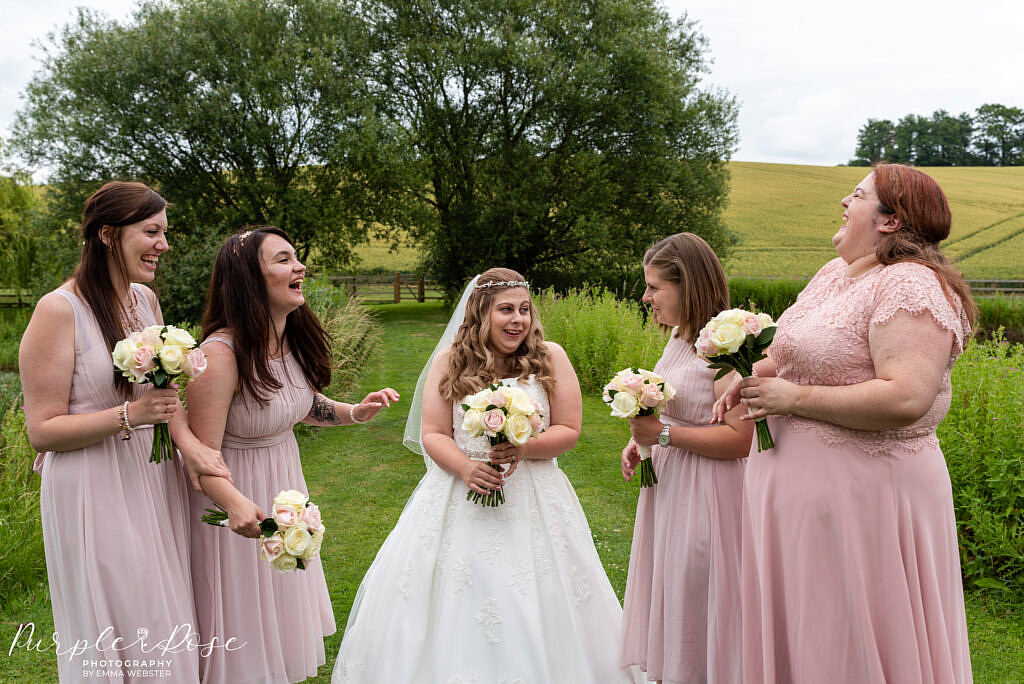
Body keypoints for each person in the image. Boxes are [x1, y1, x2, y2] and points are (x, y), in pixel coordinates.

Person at [715, 163, 975, 683]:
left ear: (890, 221)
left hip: (864, 498)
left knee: (847, 629)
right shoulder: (833, 274)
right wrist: (746, 375)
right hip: (792, 495)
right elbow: (796, 353)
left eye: (857, 195)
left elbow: (906, 397)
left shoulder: (911, 285)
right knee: (806, 627)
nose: (843, 202)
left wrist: (794, 398)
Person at [332, 268, 641, 683]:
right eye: (506, 310)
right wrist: (464, 466)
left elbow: (569, 431)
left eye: (525, 310)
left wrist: (525, 446)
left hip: (534, 493)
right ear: (481, 312)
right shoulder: (450, 362)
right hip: (459, 491)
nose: (518, 320)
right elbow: (434, 434)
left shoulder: (550, 356)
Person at [20, 181, 230, 683]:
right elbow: (42, 431)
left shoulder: (144, 301)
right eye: (152, 232)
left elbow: (161, 397)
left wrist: (191, 447)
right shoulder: (58, 310)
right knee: (121, 613)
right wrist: (129, 418)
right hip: (91, 486)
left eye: (165, 232)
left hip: (148, 478)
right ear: (109, 235)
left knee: (161, 608)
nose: (163, 244)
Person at [185, 226, 399, 684]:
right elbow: (199, 460)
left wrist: (354, 411)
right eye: (283, 260)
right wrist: (240, 508)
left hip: (284, 487)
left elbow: (300, 406)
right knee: (242, 624)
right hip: (237, 503)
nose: (299, 267)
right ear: (249, 278)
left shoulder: (289, 339)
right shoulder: (219, 356)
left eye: (296, 258)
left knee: (277, 623)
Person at [619, 233, 753, 684]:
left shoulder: (723, 350)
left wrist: (665, 435)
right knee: (673, 598)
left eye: (655, 287)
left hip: (710, 495)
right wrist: (643, 442)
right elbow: (677, 408)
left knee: (699, 598)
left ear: (688, 284)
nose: (646, 297)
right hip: (673, 489)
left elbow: (739, 439)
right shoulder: (679, 337)